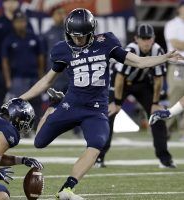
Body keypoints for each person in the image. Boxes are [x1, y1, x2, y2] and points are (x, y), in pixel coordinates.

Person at [18, 8, 183, 199]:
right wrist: (23, 98)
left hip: (95, 109)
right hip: (70, 104)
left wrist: (164, 57)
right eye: (74, 36)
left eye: (81, 36)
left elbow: (138, 62)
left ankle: (67, 188)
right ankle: (53, 107)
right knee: (39, 143)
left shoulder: (106, 42)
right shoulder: (62, 49)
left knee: (97, 143)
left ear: (92, 32)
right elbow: (47, 81)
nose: (77, 40)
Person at [96, 24, 175, 169]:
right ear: (136, 39)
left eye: (148, 38)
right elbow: (119, 78)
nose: (146, 42)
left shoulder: (157, 50)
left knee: (157, 115)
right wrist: (117, 102)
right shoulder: (131, 50)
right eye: (143, 38)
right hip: (121, 82)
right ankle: (98, 157)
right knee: (108, 115)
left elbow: (158, 79)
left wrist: (155, 102)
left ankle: (164, 159)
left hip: (142, 83)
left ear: (153, 38)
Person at [2, 10, 45, 130]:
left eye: (23, 21)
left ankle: (36, 128)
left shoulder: (34, 37)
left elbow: (40, 57)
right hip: (17, 77)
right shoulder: (9, 39)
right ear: (14, 23)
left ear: (26, 22)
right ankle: (18, 129)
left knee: (37, 104)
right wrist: (8, 79)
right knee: (19, 105)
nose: (21, 24)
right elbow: (5, 61)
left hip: (34, 76)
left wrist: (41, 76)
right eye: (18, 21)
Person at [164, 0, 184, 134]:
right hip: (178, 66)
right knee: (175, 98)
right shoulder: (172, 24)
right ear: (179, 9)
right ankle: (165, 129)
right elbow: (175, 43)